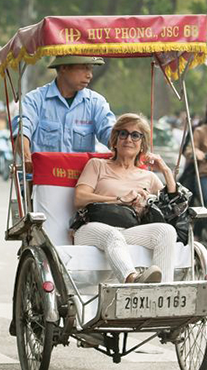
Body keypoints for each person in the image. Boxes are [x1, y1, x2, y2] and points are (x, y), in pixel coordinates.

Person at [73, 113, 177, 283]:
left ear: (142, 144)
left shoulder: (148, 177)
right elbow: (79, 198)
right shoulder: (97, 165)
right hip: (91, 227)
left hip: (127, 229)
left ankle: (162, 293)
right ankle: (131, 280)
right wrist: (120, 199)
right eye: (123, 133)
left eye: (135, 135)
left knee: (166, 232)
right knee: (112, 235)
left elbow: (172, 206)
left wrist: (165, 170)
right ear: (115, 139)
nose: (128, 139)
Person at [15, 55, 115, 173]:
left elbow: (110, 133)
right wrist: (27, 158)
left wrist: (124, 146)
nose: (89, 75)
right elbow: (23, 131)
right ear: (64, 68)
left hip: (81, 182)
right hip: (43, 180)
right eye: (84, 68)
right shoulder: (35, 100)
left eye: (91, 69)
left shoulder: (96, 103)